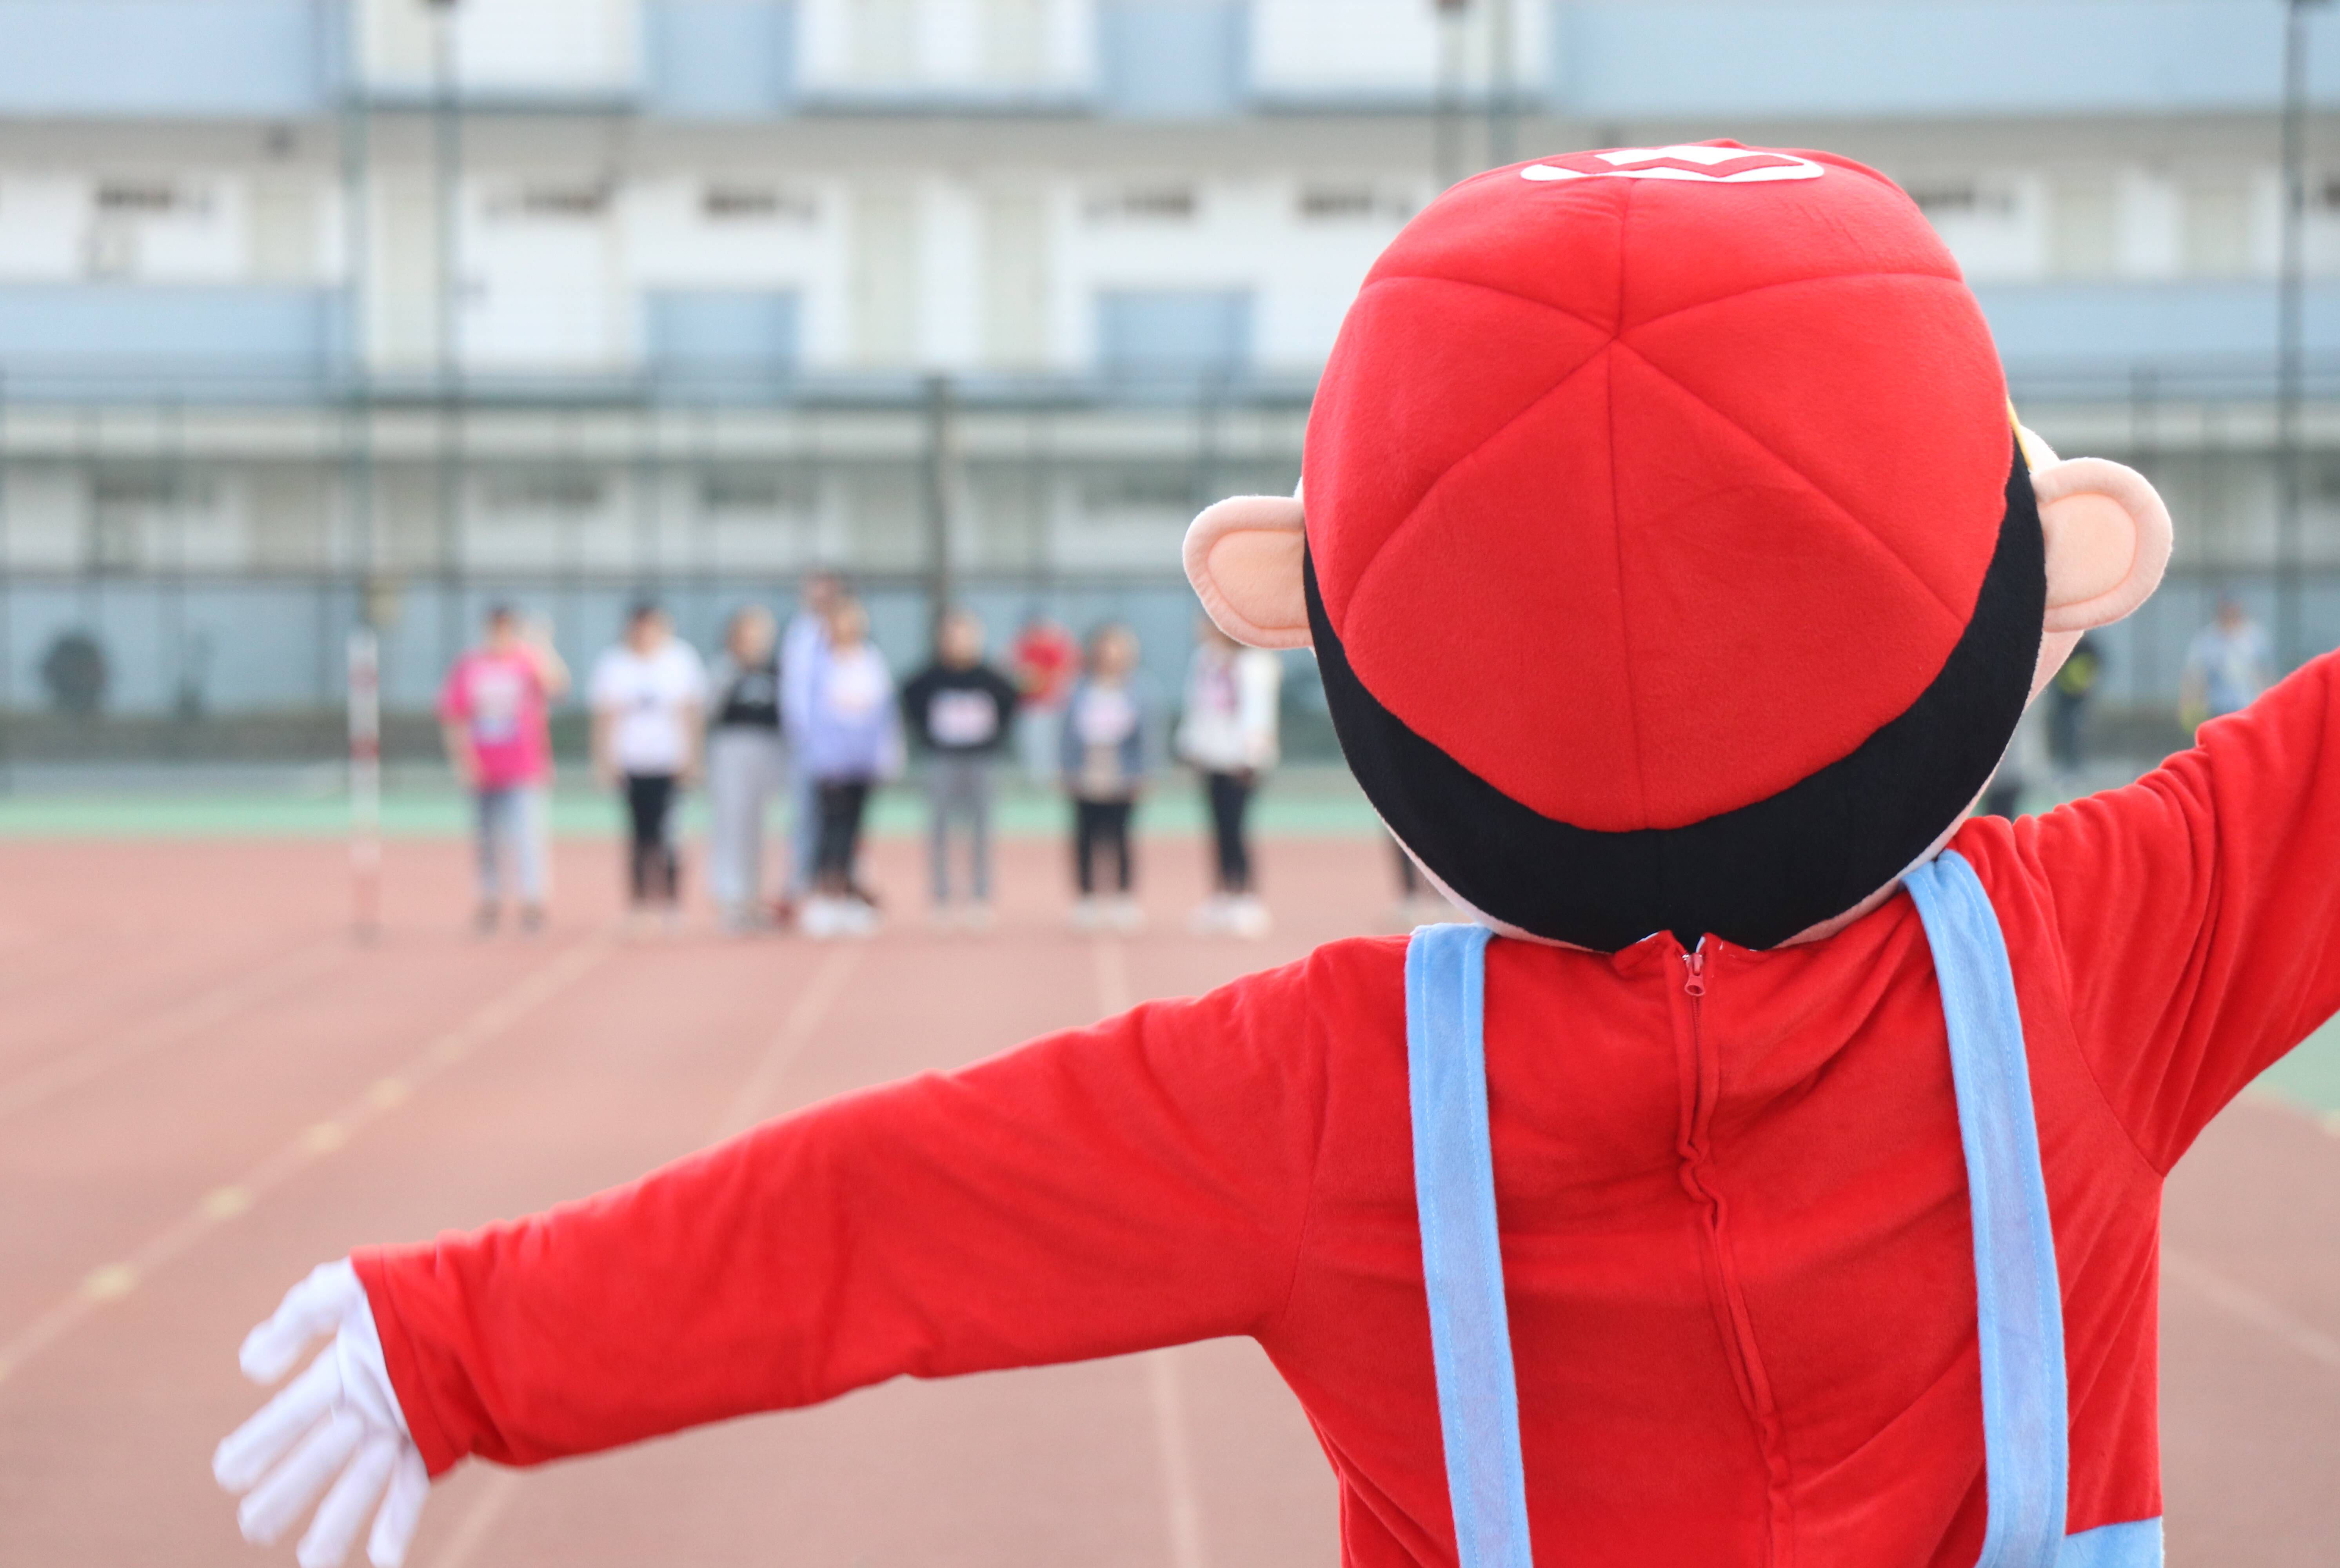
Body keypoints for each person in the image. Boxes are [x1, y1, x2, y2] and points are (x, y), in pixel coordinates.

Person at [226, 145, 2333, 1568]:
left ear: (1317, 615)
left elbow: (883, 1212)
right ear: (2045, 564)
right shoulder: (2098, 956)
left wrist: (468, 1339)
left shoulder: (1330, 1097)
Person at [435, 604, 566, 934]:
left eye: (507, 629)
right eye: (495, 628)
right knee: (486, 840)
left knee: (527, 838)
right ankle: (489, 900)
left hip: (523, 767)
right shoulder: (470, 666)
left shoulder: (528, 662)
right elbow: (455, 717)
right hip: (484, 768)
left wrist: (542, 646)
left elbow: (558, 687)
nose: (500, 635)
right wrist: (464, 762)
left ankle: (532, 902)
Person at [588, 603, 706, 931]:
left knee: (670, 835)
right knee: (638, 837)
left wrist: (693, 759)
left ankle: (671, 902)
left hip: (669, 763)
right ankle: (639, 904)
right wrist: (604, 761)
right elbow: (605, 716)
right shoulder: (615, 663)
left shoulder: (680, 660)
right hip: (632, 763)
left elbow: (691, 713)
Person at [902, 606, 1018, 929]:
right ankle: (941, 897)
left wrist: (994, 736)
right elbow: (909, 698)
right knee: (939, 829)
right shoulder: (930, 677)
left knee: (982, 829)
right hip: (942, 760)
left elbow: (1011, 701)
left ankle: (980, 896)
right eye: (954, 636)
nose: (960, 642)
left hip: (981, 760)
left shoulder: (990, 678)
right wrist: (927, 734)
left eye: (966, 635)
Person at [795, 597, 900, 939]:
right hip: (831, 761)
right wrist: (819, 753)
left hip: (863, 761)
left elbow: (884, 711)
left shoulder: (871, 659)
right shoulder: (818, 663)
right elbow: (808, 713)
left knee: (855, 831)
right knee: (830, 830)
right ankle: (826, 896)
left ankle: (851, 897)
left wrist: (886, 755)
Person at [1177, 614, 1282, 938]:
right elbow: (1196, 706)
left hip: (1241, 761)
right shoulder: (1206, 660)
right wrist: (1190, 746)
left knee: (1237, 828)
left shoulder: (1255, 664)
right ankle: (1221, 896)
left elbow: (1259, 712)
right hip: (1211, 757)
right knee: (1217, 829)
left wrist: (1252, 757)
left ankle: (1246, 898)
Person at [1058, 622, 1155, 933]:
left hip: (1122, 772)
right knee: (1085, 837)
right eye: (1106, 647)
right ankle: (1086, 898)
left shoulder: (1139, 689)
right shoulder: (1079, 688)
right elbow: (1067, 732)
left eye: (1118, 647)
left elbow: (1148, 735)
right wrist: (1067, 768)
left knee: (1122, 837)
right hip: (1087, 771)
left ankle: (1124, 898)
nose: (1111, 654)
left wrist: (1143, 772)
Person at [705, 606, 782, 933]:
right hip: (731, 749)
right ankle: (730, 898)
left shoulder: (776, 671)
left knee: (758, 828)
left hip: (767, 750)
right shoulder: (724, 669)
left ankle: (754, 898)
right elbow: (707, 712)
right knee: (731, 824)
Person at [778, 572, 845, 916]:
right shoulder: (798, 632)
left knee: (841, 816)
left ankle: (838, 885)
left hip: (843, 743)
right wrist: (797, 730)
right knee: (805, 815)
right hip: (805, 742)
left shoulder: (848, 632)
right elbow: (793, 687)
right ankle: (801, 884)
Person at [2180, 592, 2274, 735]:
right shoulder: (2207, 640)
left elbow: (2265, 674)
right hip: (2218, 708)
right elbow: (2196, 677)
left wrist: (2269, 705)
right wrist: (2190, 705)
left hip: (2248, 706)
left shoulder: (2255, 637)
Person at [1009, 613, 1078, 786]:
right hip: (1030, 705)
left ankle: (1051, 778)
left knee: (1051, 745)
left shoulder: (1054, 647)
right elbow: (1015, 672)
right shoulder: (1024, 647)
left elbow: (1064, 674)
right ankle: (1035, 779)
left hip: (1051, 705)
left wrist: (1045, 685)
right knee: (1032, 744)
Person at [2048, 630, 2103, 774]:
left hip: (2079, 694)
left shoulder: (2087, 646)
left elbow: (2097, 666)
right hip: (2065, 692)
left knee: (2075, 727)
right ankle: (2066, 763)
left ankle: (2075, 764)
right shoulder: (2068, 644)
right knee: (2064, 726)